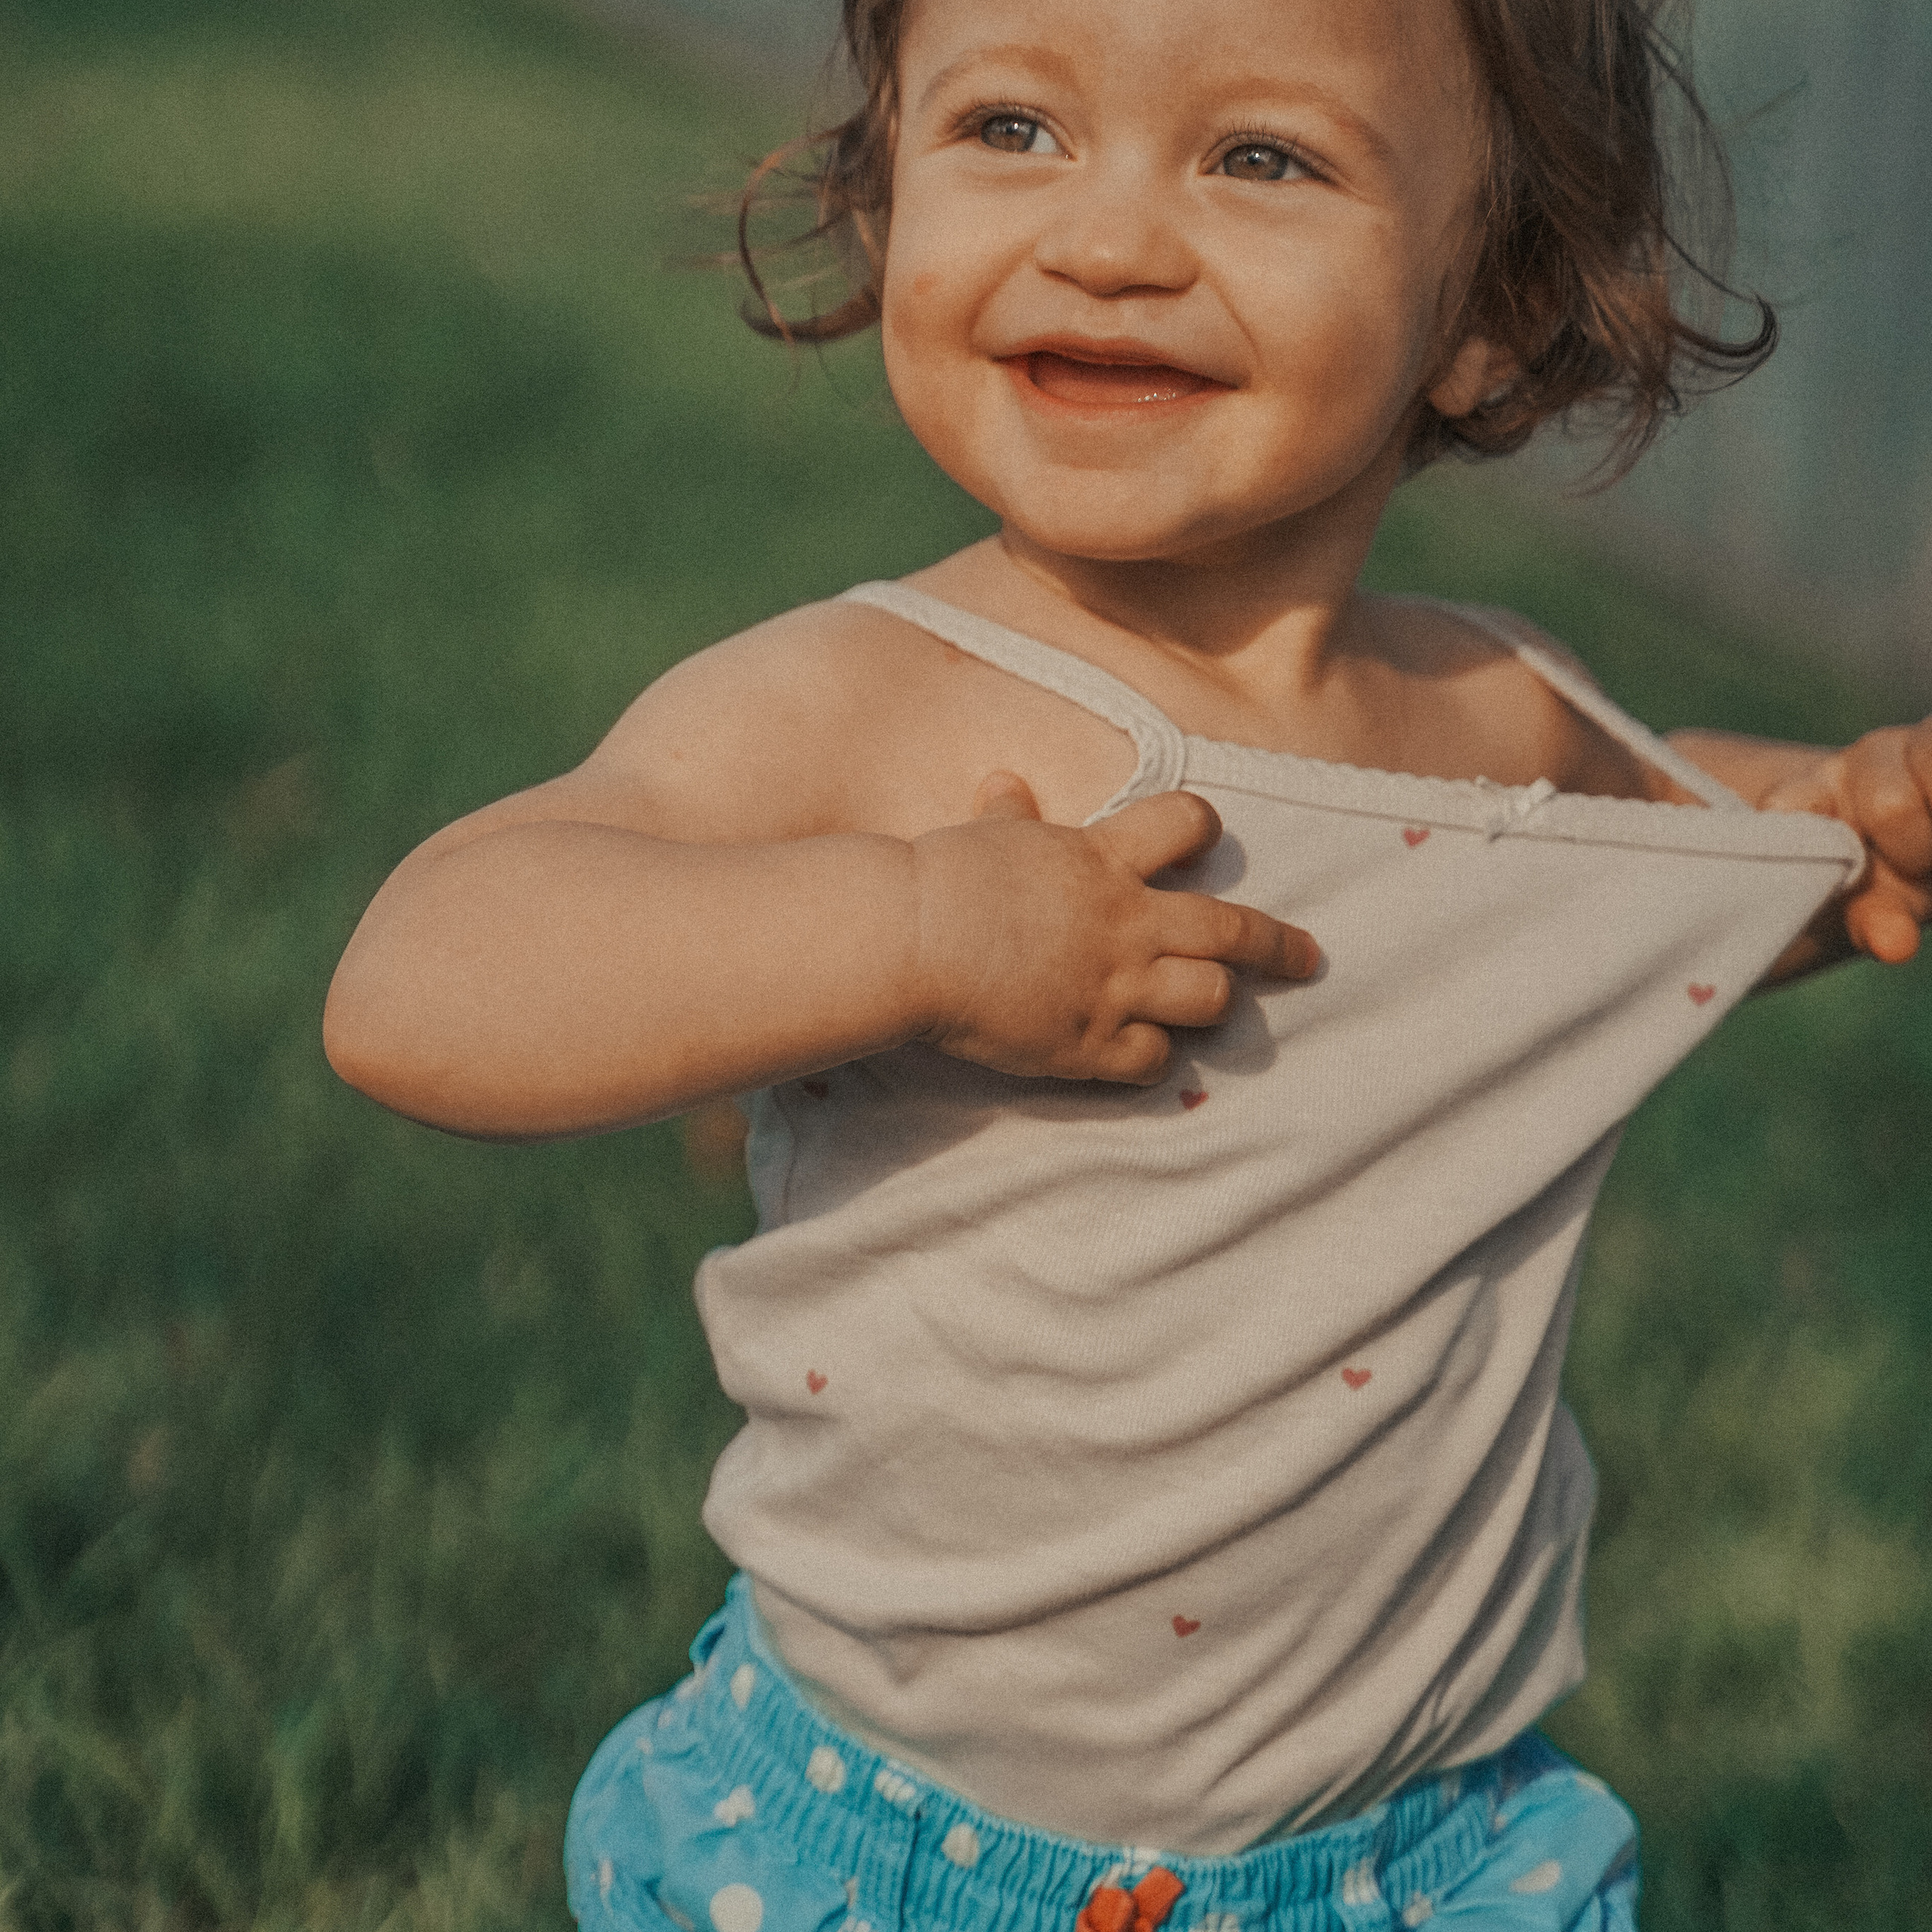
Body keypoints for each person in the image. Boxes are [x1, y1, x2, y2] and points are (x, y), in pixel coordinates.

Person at [324, 0, 1932, 1924]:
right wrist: (912, 928)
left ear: (1489, 296)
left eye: (1258, 158)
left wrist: (1836, 834)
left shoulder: (1494, 707)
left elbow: (1653, 855)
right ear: (882, 177)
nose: (1103, 240)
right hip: (913, 1838)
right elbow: (419, 975)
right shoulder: (867, 704)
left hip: (1427, 1842)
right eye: (1009, 127)